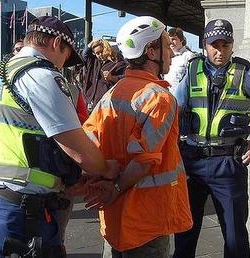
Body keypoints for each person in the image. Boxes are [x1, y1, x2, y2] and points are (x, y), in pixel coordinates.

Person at [0, 16, 118, 258]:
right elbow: (78, 148)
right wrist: (105, 168)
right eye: (66, 56)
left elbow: (16, 136)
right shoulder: (41, 76)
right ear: (57, 43)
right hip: (22, 213)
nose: (63, 65)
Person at [172, 19, 250, 258]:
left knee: (235, 239)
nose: (219, 50)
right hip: (191, 161)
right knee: (184, 235)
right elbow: (175, 109)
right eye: (214, 44)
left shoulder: (245, 73)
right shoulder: (192, 70)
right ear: (205, 44)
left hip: (228, 164)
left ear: (232, 45)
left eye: (225, 44)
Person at [82, 16, 193, 258]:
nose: (172, 53)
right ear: (151, 52)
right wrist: (117, 187)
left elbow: (88, 141)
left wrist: (101, 181)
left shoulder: (113, 93)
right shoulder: (160, 98)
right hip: (147, 221)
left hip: (114, 219)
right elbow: (144, 160)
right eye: (166, 45)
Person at [82, 39, 126, 112]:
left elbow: (124, 79)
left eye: (101, 51)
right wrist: (90, 44)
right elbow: (84, 55)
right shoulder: (94, 61)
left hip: (107, 103)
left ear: (106, 49)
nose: (100, 55)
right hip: (91, 101)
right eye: (97, 53)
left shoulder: (118, 61)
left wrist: (112, 78)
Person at [163, 27, 195, 94]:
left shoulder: (189, 56)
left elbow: (193, 80)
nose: (171, 42)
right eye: (169, 39)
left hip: (182, 98)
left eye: (174, 39)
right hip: (168, 96)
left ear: (181, 40)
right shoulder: (166, 56)